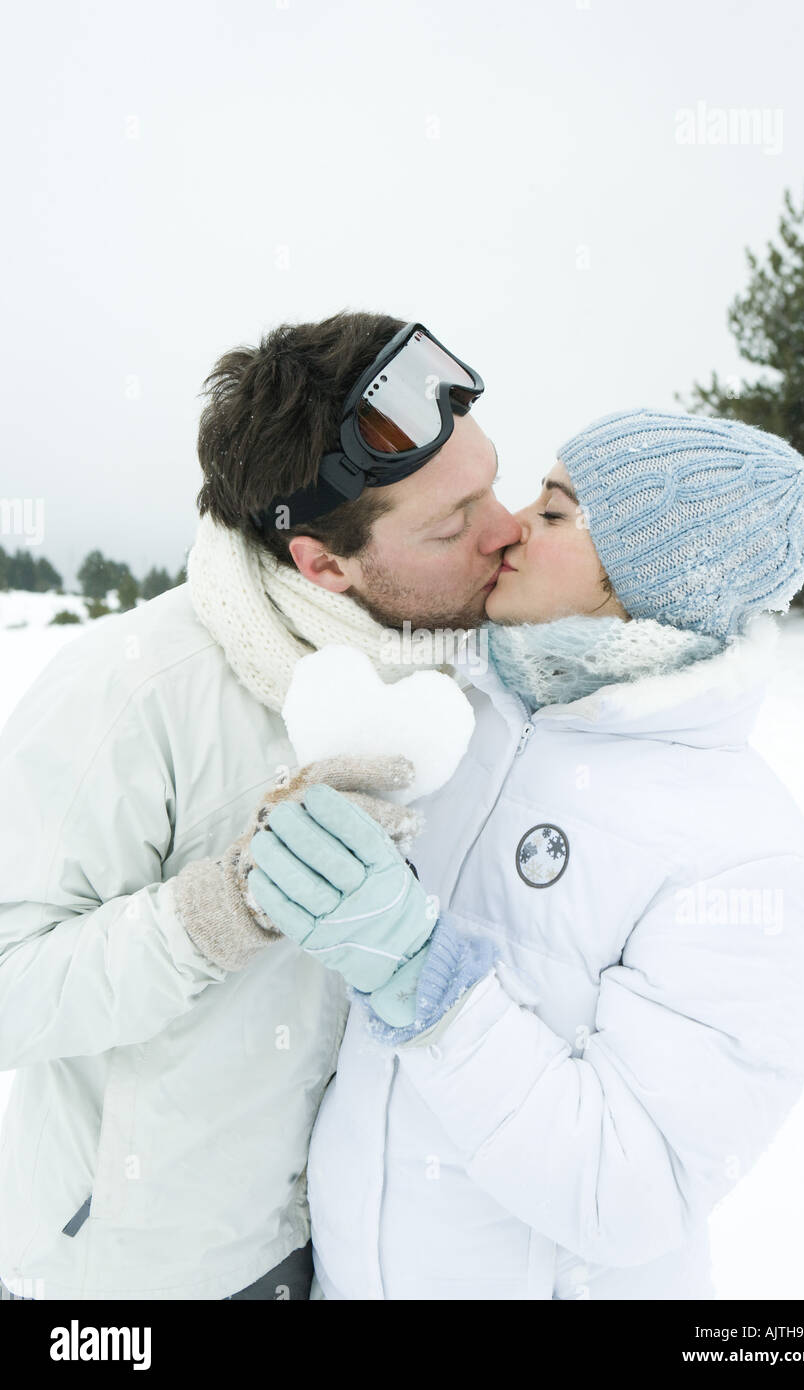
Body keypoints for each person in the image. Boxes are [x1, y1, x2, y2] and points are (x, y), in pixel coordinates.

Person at [0, 313, 520, 1300]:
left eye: (491, 483)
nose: (504, 532)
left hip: (348, 1259)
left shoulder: (461, 685)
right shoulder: (136, 690)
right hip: (138, 1282)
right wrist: (217, 916)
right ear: (323, 564)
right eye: (454, 524)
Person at [287, 408, 804, 1299]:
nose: (507, 529)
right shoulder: (460, 722)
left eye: (551, 512)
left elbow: (633, 1191)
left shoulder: (742, 852)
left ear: (640, 576)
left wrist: (426, 981)